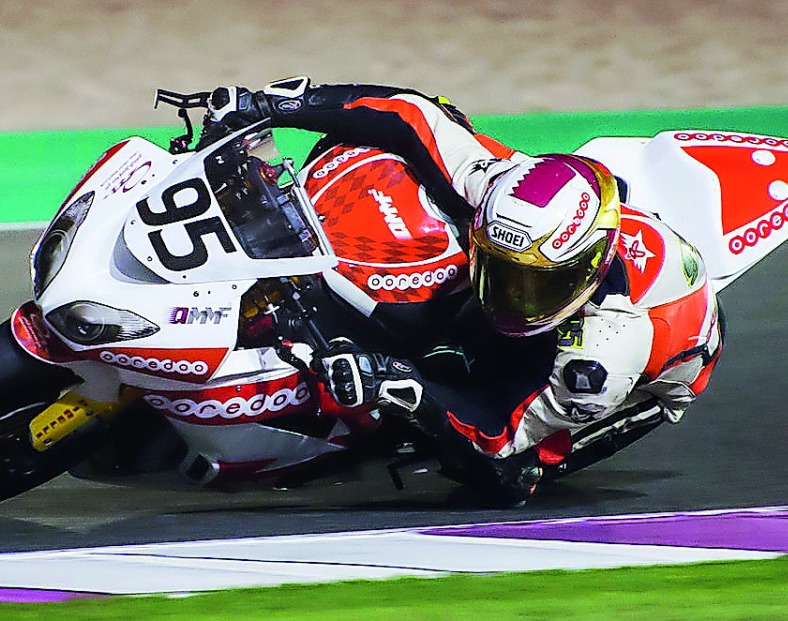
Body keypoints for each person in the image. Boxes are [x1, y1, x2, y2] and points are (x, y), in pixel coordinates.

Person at [203, 77, 724, 505]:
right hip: (584, 258)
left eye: (531, 285)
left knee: (505, 477)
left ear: (583, 273)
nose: (510, 295)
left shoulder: (600, 358)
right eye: (500, 272)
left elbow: (497, 435)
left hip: (644, 369)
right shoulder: (500, 184)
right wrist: (276, 105)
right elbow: (412, 116)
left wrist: (400, 385)